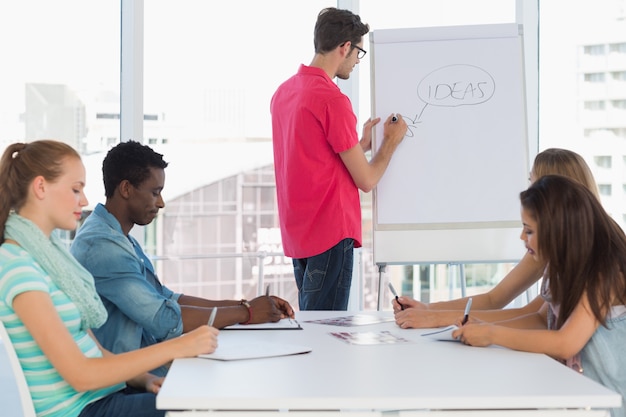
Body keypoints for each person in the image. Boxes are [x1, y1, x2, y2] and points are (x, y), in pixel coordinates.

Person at [0, 140, 218, 417]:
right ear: (41, 187)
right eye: (75, 189)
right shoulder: (19, 267)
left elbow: (97, 351)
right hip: (82, 409)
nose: (85, 201)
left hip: (102, 398)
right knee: (203, 409)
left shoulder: (51, 262)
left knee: (203, 400)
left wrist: (146, 379)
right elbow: (80, 375)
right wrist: (179, 346)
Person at [70, 140, 294, 376]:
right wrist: (247, 313)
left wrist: (245, 306)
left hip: (146, 369)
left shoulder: (119, 237)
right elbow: (162, 318)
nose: (161, 203)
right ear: (126, 189)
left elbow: (167, 298)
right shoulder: (102, 245)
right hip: (129, 381)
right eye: (155, 192)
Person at [453, 175, 626, 417]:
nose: (522, 238)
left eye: (529, 231)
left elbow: (566, 343)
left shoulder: (604, 272)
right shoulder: (566, 268)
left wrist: (491, 333)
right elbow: (541, 321)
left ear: (558, 230)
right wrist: (483, 326)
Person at [270, 7, 408, 310]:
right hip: (330, 235)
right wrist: (390, 143)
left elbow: (311, 158)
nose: (357, 61)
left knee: (313, 328)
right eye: (358, 52)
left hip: (299, 237)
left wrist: (360, 146)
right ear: (345, 46)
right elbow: (367, 180)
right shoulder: (332, 99)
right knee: (325, 338)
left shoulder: (284, 93)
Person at [393, 148, 600, 328]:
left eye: (534, 185)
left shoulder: (592, 252)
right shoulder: (551, 243)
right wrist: (428, 309)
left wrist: (438, 318)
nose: (528, 194)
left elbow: (538, 319)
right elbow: (496, 298)